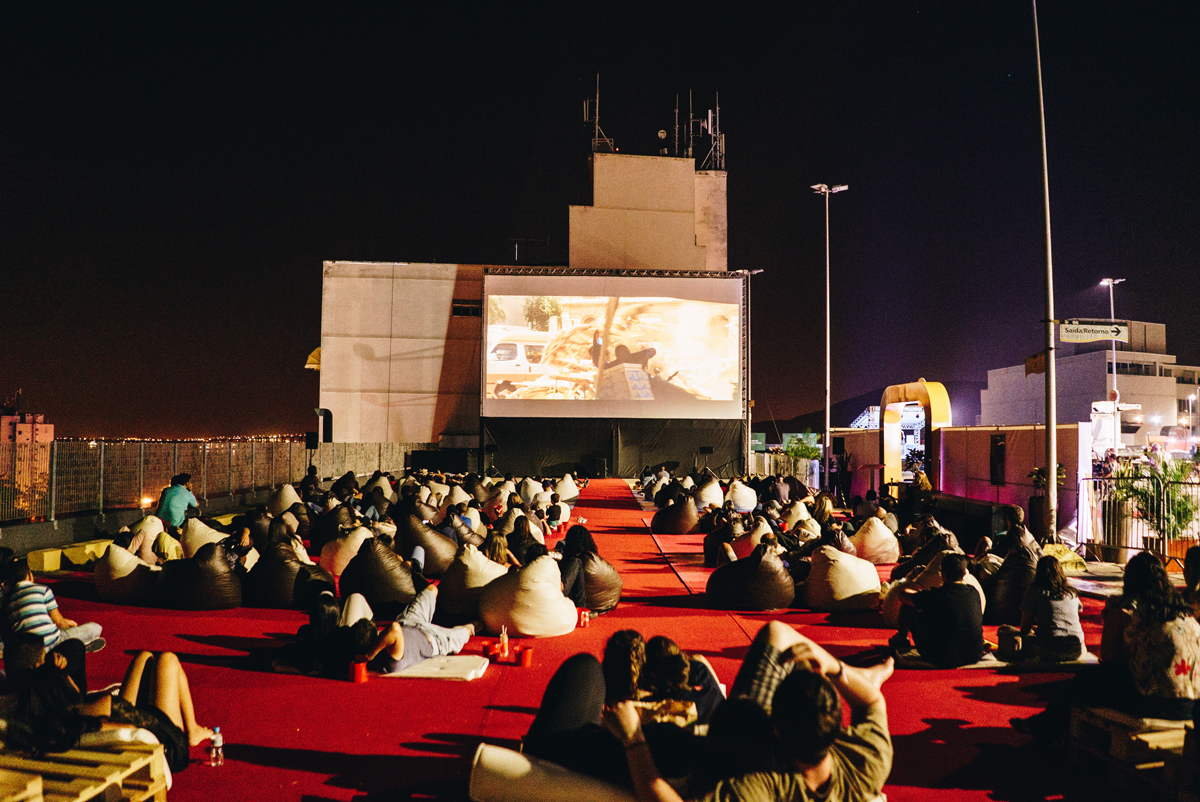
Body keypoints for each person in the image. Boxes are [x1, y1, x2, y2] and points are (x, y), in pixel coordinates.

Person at [524, 621, 893, 801]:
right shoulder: (864, 761)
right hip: (707, 741)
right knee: (719, 663)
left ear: (776, 727)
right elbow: (872, 700)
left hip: (601, 750)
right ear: (834, 725)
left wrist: (632, 737)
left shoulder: (758, 786)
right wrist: (838, 669)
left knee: (586, 668)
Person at [10, 648, 213, 773]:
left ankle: (192, 727)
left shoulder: (50, 716)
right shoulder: (92, 709)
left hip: (130, 717)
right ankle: (192, 729)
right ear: (64, 688)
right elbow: (133, 730)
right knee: (168, 659)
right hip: (170, 744)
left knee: (144, 657)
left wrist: (52, 675)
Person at [344, 586, 476, 674]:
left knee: (432, 589)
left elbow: (396, 628)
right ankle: (478, 623)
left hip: (408, 621)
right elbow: (394, 628)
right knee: (467, 630)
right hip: (435, 638)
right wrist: (369, 655)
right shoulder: (390, 659)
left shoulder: (377, 642)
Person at [890, 553, 985, 668]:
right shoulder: (974, 592)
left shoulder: (935, 596)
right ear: (965, 574)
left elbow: (902, 596)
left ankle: (901, 640)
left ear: (942, 574)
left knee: (909, 606)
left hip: (940, 657)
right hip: (974, 654)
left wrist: (918, 593)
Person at [6, 555, 104, 653]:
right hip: (51, 643)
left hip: (27, 651)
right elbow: (59, 622)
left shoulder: (8, 599)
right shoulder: (42, 589)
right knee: (95, 628)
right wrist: (70, 629)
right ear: (29, 575)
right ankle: (74, 646)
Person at [1018, 555, 1085, 662]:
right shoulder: (1072, 593)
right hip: (1078, 648)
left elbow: (1025, 628)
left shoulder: (1034, 591)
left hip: (1051, 648)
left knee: (1022, 641)